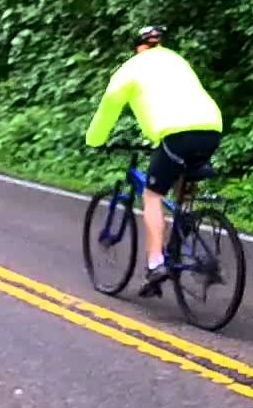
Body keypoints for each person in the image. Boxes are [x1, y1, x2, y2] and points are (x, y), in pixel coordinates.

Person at [84, 25, 223, 295]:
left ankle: (155, 263)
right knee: (180, 183)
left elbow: (109, 105)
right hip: (211, 129)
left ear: (138, 48)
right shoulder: (177, 61)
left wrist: (95, 140)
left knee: (152, 195)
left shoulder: (131, 68)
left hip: (176, 134)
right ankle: (181, 231)